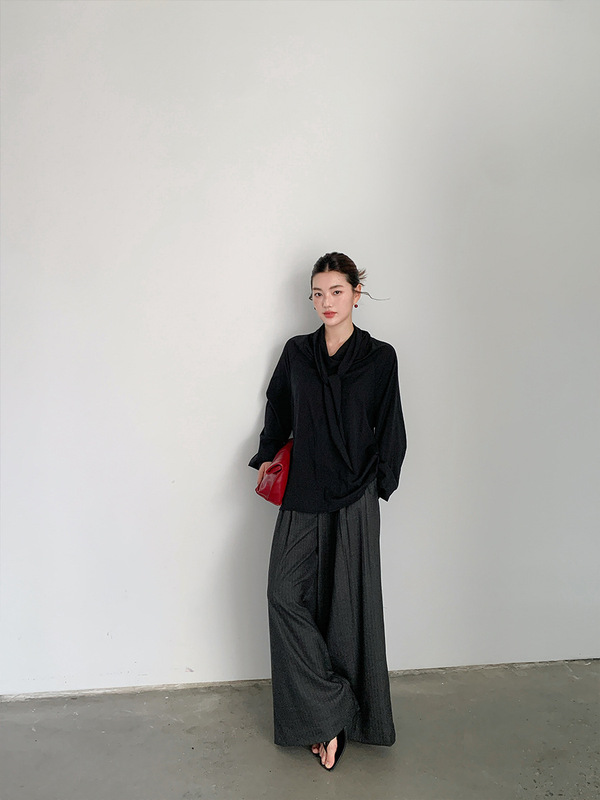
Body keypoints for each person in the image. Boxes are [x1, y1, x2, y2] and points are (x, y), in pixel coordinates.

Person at [249, 252, 406, 771]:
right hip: (303, 492)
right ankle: (331, 704)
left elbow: (391, 425)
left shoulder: (380, 358)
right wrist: (268, 454)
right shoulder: (297, 352)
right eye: (318, 293)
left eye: (336, 291)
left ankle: (330, 725)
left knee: (346, 610)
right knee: (282, 594)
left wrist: (379, 483)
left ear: (356, 293)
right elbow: (278, 407)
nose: (326, 302)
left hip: (355, 496)